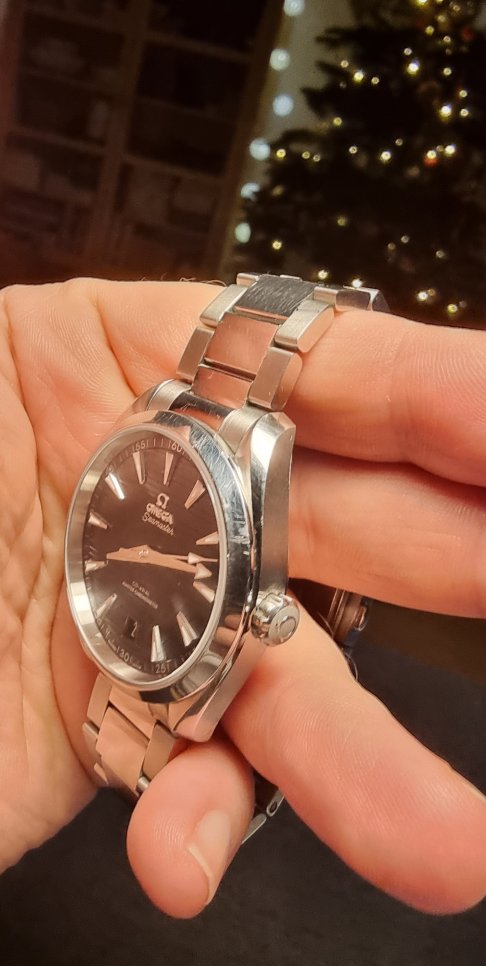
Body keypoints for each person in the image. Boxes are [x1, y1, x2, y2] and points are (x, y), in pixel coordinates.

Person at [1, 276, 485, 920]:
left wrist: (165, 560)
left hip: (177, 626)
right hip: (148, 610)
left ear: (268, 617)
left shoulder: (215, 447)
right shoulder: (158, 411)